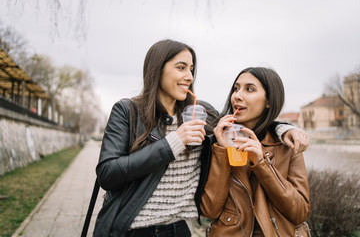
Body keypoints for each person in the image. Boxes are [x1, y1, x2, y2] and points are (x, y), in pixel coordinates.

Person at [93, 40, 308, 237]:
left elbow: (242, 120)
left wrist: (284, 129)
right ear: (157, 69)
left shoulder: (201, 112)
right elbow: (107, 174)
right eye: (181, 67)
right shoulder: (128, 111)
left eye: (192, 69)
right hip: (133, 229)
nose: (189, 76)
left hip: (180, 228)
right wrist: (174, 142)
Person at [200, 67, 310, 236]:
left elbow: (299, 212)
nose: (237, 95)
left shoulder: (287, 144)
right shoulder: (217, 141)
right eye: (236, 88)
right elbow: (210, 211)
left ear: (269, 101)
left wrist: (261, 163)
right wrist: (222, 151)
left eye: (249, 89)